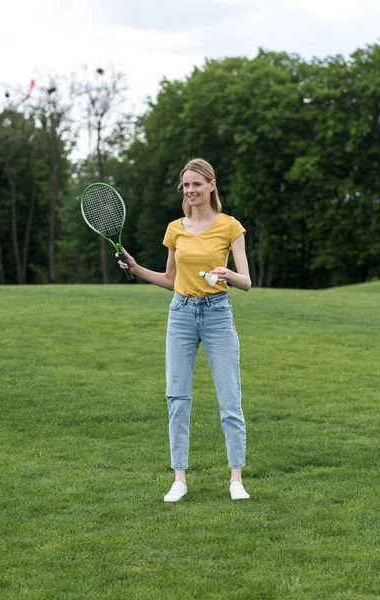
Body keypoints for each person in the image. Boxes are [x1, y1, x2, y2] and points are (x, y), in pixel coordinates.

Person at [117, 158, 252, 503]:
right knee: (177, 398)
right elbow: (169, 280)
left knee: (230, 398)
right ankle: (179, 478)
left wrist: (228, 275)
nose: (190, 191)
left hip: (218, 314)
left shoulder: (230, 227)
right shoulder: (175, 229)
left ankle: (236, 479)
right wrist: (135, 268)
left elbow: (247, 281)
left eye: (196, 184)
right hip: (181, 315)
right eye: (186, 186)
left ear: (211, 185)